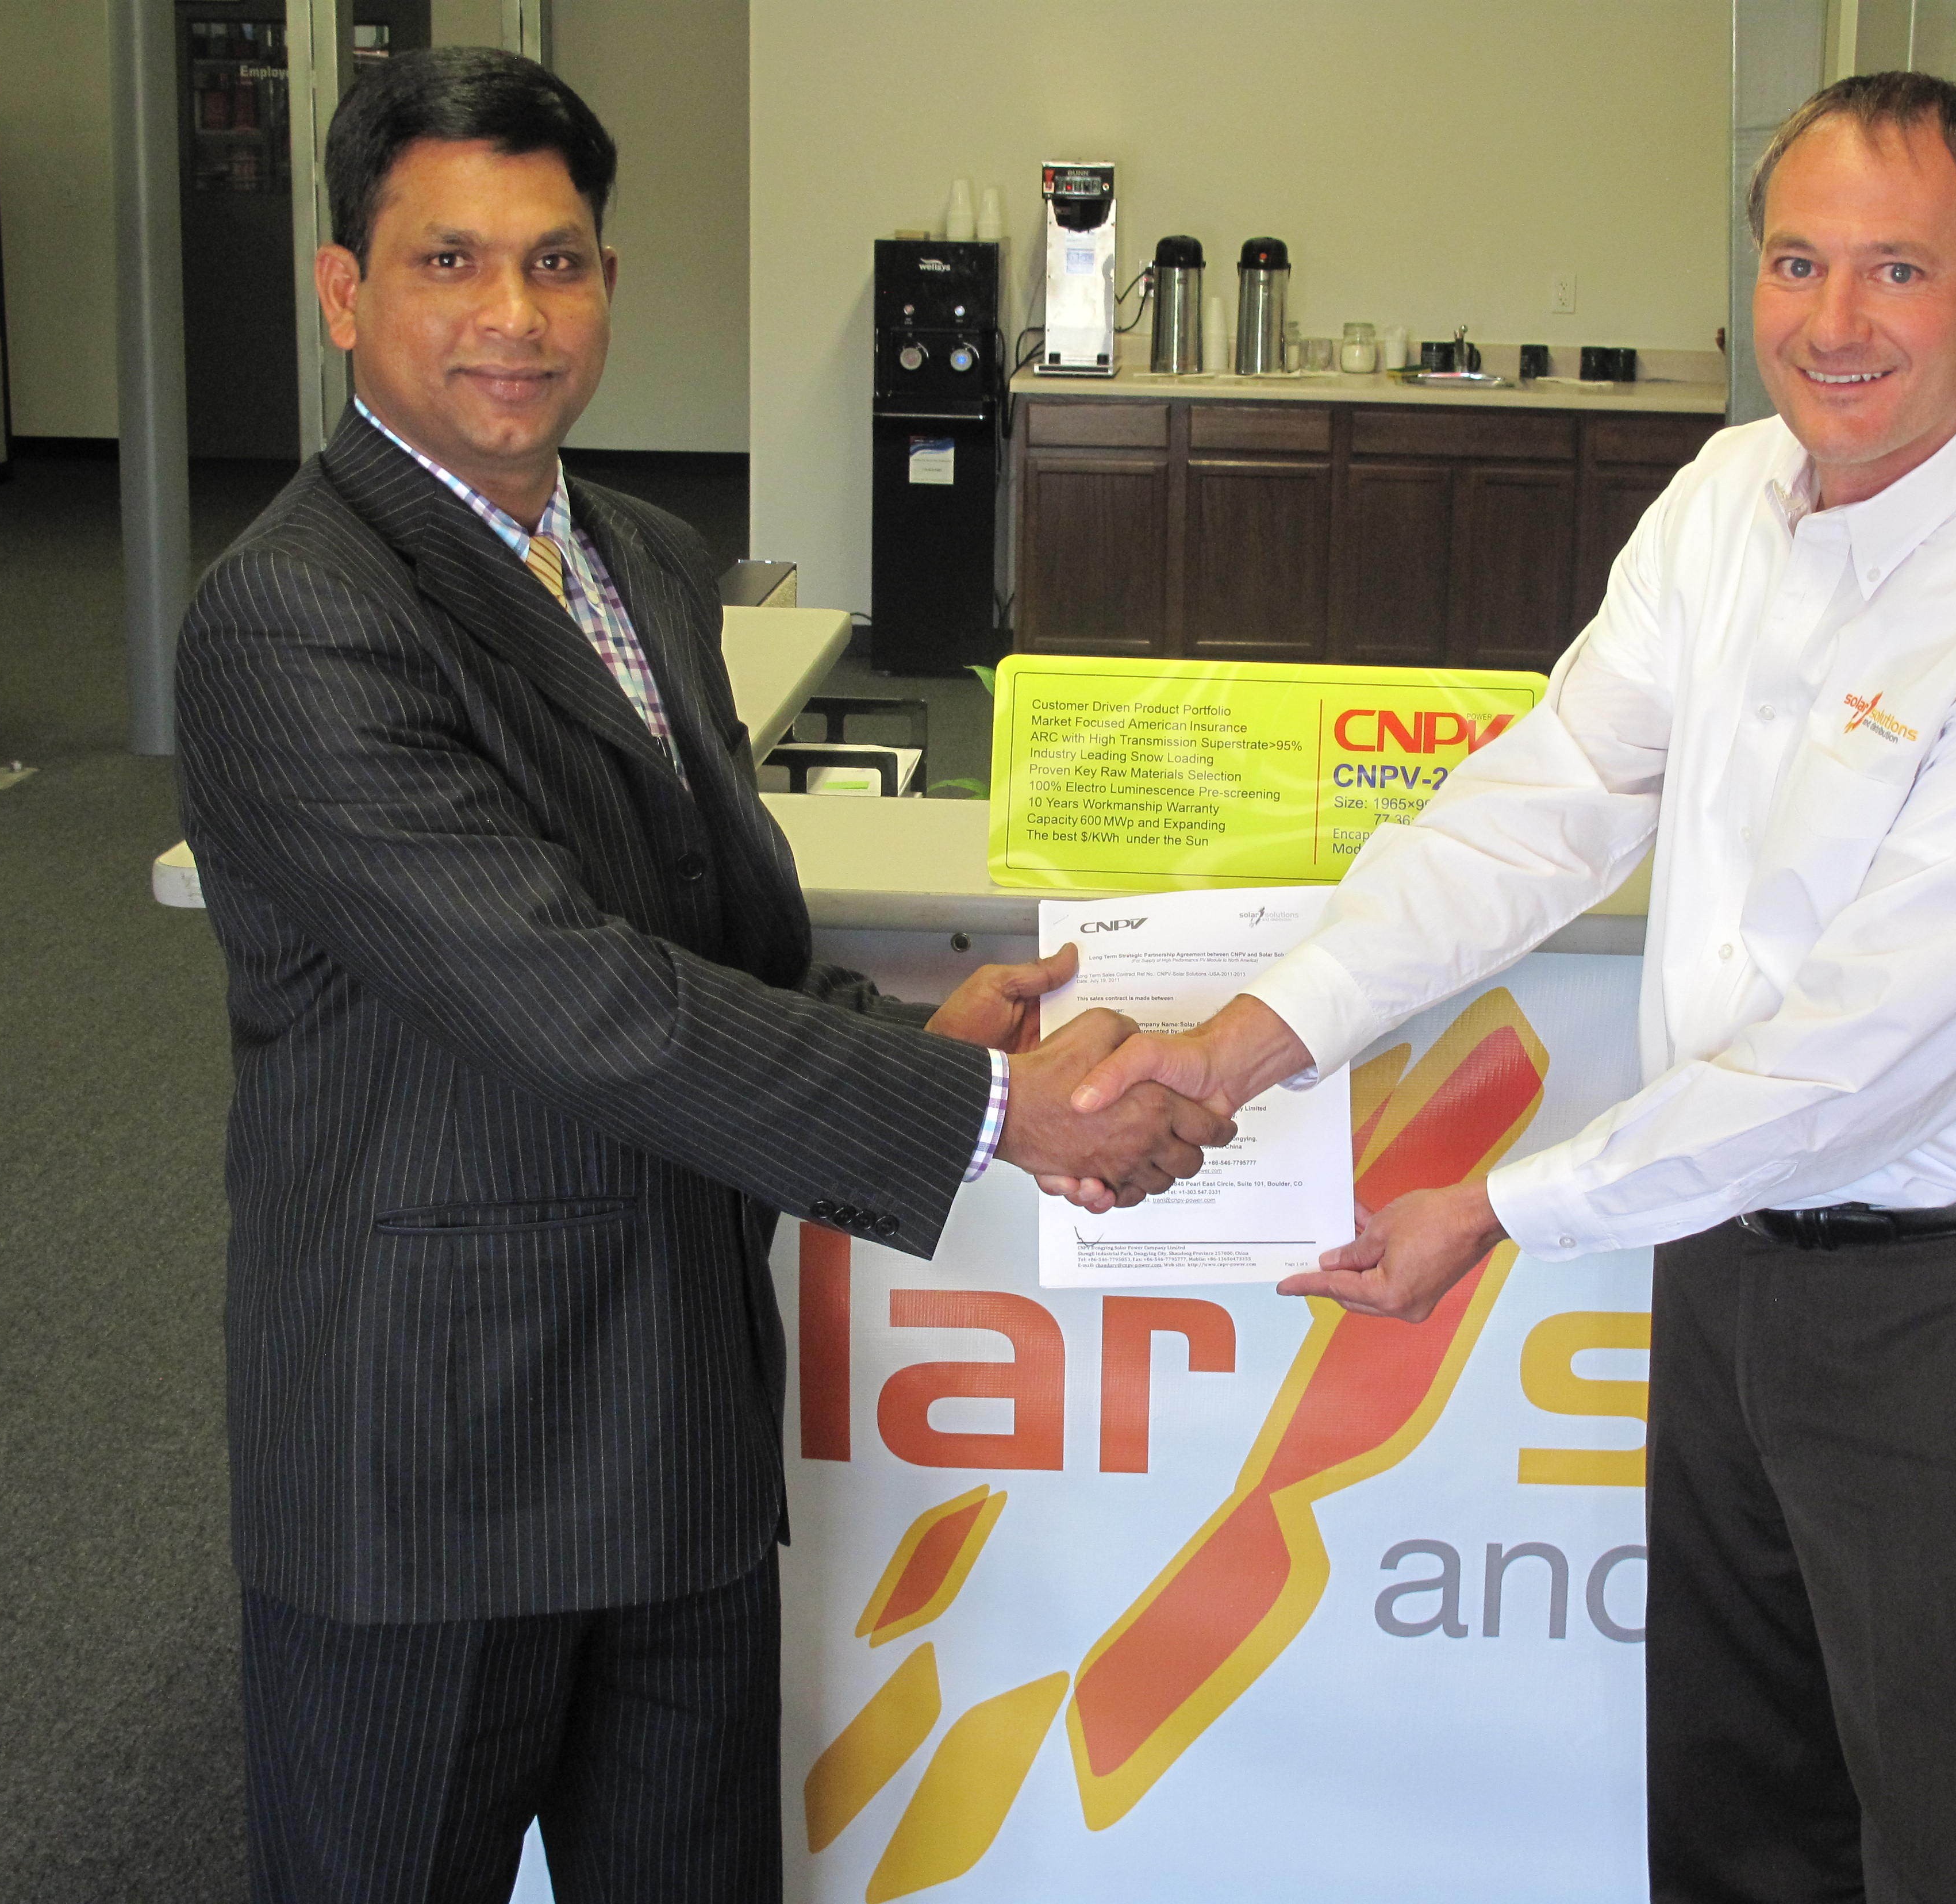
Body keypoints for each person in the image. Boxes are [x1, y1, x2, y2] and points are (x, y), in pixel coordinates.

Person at [1060, 72, 1956, 1903]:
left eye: (1898, 270)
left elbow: (1865, 1064)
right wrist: (1249, 1042)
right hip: (1730, 1261)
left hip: (1953, 1306)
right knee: (1735, 1820)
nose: (1832, 323)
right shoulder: (1729, 495)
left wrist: (1501, 1209)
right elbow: (1549, 803)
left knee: (1928, 1848)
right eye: (1797, 262)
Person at [175, 47, 1229, 1903]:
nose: (514, 315)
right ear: (345, 291)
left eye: (557, 261)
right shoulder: (296, 611)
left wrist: (906, 1034)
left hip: (674, 1426)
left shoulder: (648, 561)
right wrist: (994, 1110)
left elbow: (704, 941)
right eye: (448, 262)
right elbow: (574, 998)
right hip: (431, 1460)